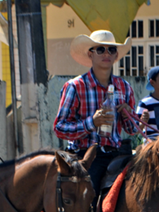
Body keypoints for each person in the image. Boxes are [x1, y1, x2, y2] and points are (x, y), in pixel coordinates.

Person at [53, 30, 136, 195]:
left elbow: (132, 130)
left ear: (116, 55)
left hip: (117, 155)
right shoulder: (75, 86)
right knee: (88, 199)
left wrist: (131, 117)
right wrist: (91, 123)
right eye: (100, 49)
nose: (106, 53)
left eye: (111, 50)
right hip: (85, 157)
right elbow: (60, 128)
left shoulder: (124, 87)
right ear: (91, 54)